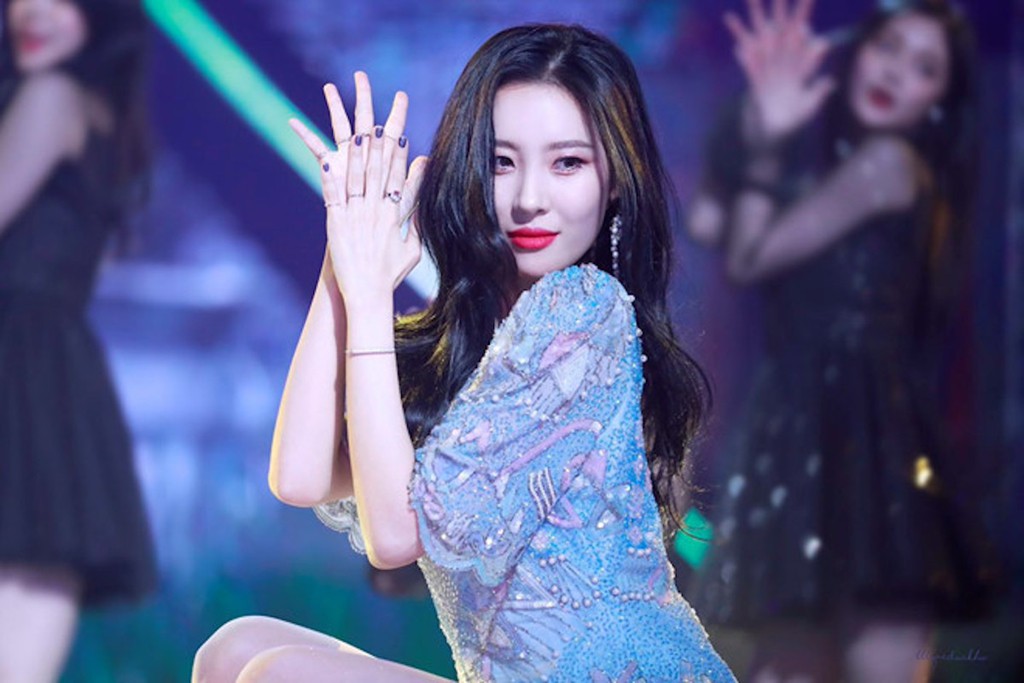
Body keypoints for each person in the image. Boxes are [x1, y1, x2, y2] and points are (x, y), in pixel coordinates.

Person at [192, 23, 736, 683]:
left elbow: (396, 537)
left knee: (276, 673)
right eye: (503, 162)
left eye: (567, 163)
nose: (529, 198)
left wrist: (370, 296)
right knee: (234, 648)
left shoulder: (585, 314)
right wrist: (347, 250)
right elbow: (300, 476)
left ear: (615, 179)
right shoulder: (473, 342)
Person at [683, 1, 997, 681]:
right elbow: (708, 220)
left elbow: (748, 257)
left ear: (940, 102)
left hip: (864, 435)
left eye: (925, 68)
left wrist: (767, 144)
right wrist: (759, 114)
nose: (896, 72)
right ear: (860, 48)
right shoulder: (832, 163)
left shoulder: (887, 164)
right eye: (889, 48)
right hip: (807, 428)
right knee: (786, 659)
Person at [0, 0, 156, 680]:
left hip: (19, 362)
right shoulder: (102, 114)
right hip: (52, 375)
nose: (30, 13)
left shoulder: (52, 95)